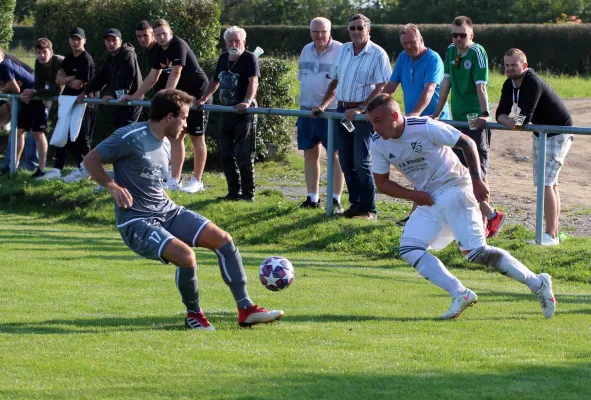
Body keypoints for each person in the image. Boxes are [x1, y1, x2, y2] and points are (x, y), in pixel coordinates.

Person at [83, 89, 285, 330]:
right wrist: (111, 186)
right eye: (184, 118)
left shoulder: (167, 143)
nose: (186, 125)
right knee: (187, 257)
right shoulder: (130, 136)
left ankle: (246, 309)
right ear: (170, 117)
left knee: (223, 240)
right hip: (137, 221)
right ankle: (194, 315)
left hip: (167, 211)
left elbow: (152, 183)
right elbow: (90, 160)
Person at [365, 94, 556, 319]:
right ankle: (460, 293)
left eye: (377, 121)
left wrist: (477, 180)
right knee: (409, 248)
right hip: (429, 198)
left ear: (395, 116)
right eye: (371, 122)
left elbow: (467, 142)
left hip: (455, 186)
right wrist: (413, 195)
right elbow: (382, 183)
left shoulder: (425, 127)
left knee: (476, 253)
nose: (374, 128)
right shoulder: (378, 144)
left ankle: (537, 283)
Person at [432, 16, 505, 238]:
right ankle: (487, 216)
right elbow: (446, 83)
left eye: (462, 34)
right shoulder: (451, 52)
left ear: (471, 35)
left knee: (478, 171)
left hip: (475, 120)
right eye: (454, 34)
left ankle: (485, 222)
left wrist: (484, 114)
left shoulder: (476, 52)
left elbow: (481, 86)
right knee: (460, 171)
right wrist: (436, 113)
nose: (457, 39)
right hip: (458, 118)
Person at [313, 14, 391, 220]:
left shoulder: (378, 54)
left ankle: (369, 209)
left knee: (361, 161)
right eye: (352, 28)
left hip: (364, 115)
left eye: (359, 28)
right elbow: (335, 80)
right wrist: (323, 104)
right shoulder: (344, 50)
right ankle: (355, 204)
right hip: (341, 110)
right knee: (345, 161)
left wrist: (362, 109)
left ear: (368, 30)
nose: (355, 31)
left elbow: (383, 87)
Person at [496, 48, 573, 246]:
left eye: (514, 64)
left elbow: (525, 117)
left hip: (558, 133)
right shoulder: (509, 84)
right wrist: (509, 121)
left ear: (524, 65)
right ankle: (552, 235)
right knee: (547, 183)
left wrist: (513, 122)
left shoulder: (533, 82)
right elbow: (500, 113)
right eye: (507, 65)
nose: (510, 68)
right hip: (540, 133)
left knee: (546, 183)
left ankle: (550, 236)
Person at [122, 19, 210, 194]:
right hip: (179, 98)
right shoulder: (157, 51)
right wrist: (136, 95)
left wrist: (165, 96)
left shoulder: (178, 45)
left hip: (198, 94)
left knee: (197, 138)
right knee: (176, 138)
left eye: (164, 33)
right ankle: (174, 180)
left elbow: (176, 72)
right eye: (158, 34)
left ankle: (197, 180)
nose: (161, 37)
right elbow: (153, 76)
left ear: (170, 32)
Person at [382, 23, 449, 227]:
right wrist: (372, 108)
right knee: (421, 171)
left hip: (432, 122)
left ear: (421, 40)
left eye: (412, 42)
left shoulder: (433, 59)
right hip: (414, 123)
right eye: (405, 43)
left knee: (435, 172)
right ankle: (418, 217)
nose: (409, 46)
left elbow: (430, 89)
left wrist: (414, 115)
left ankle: (423, 218)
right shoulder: (403, 58)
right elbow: (391, 86)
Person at [197, 26, 259, 201]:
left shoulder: (249, 58)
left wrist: (247, 101)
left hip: (245, 113)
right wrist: (204, 98)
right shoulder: (223, 58)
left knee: (243, 153)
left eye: (237, 41)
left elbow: (253, 81)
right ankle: (233, 193)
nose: (234, 44)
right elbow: (215, 80)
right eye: (230, 41)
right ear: (225, 43)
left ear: (244, 42)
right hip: (226, 111)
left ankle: (248, 195)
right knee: (225, 153)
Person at [295, 17, 345, 213]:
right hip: (306, 110)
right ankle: (312, 197)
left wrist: (324, 104)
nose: (319, 35)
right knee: (309, 154)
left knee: (334, 156)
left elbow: (339, 81)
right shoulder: (306, 49)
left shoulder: (341, 50)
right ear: (310, 32)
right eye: (315, 31)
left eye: (323, 31)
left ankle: (335, 199)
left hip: (331, 111)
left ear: (330, 31)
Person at [50, 27, 98, 183]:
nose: (76, 42)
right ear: (69, 41)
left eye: (79, 39)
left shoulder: (86, 59)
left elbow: (78, 85)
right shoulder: (69, 58)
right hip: (69, 102)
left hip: (84, 103)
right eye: (73, 39)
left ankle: (90, 170)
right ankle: (81, 167)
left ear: (84, 40)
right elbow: (58, 79)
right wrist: (72, 78)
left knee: (81, 138)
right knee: (65, 135)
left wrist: (68, 79)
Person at [79, 28, 142, 129]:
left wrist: (114, 96)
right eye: (108, 40)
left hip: (131, 100)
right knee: (120, 132)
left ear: (120, 41)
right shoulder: (110, 57)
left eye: (114, 40)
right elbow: (100, 78)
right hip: (120, 100)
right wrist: (85, 92)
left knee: (126, 132)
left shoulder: (127, 54)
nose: (111, 43)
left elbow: (127, 79)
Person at [20, 38, 64, 178]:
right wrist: (29, 94)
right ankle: (41, 169)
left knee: (74, 137)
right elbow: (39, 86)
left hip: (77, 95)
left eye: (44, 52)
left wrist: (34, 92)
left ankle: (84, 169)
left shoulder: (59, 62)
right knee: (36, 131)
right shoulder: (39, 63)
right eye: (38, 53)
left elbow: (58, 90)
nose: (41, 56)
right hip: (58, 96)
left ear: (51, 51)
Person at [0, 48, 40, 175]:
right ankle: (11, 165)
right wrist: (7, 88)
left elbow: (15, 89)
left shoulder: (5, 65)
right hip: (23, 96)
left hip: (34, 94)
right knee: (18, 130)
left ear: (2, 54)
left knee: (35, 131)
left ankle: (31, 165)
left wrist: (6, 88)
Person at [134, 20, 169, 93]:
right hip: (162, 95)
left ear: (153, 34)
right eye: (139, 36)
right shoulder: (150, 50)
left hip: (170, 95)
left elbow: (153, 78)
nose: (142, 39)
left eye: (145, 35)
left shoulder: (160, 48)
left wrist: (135, 96)